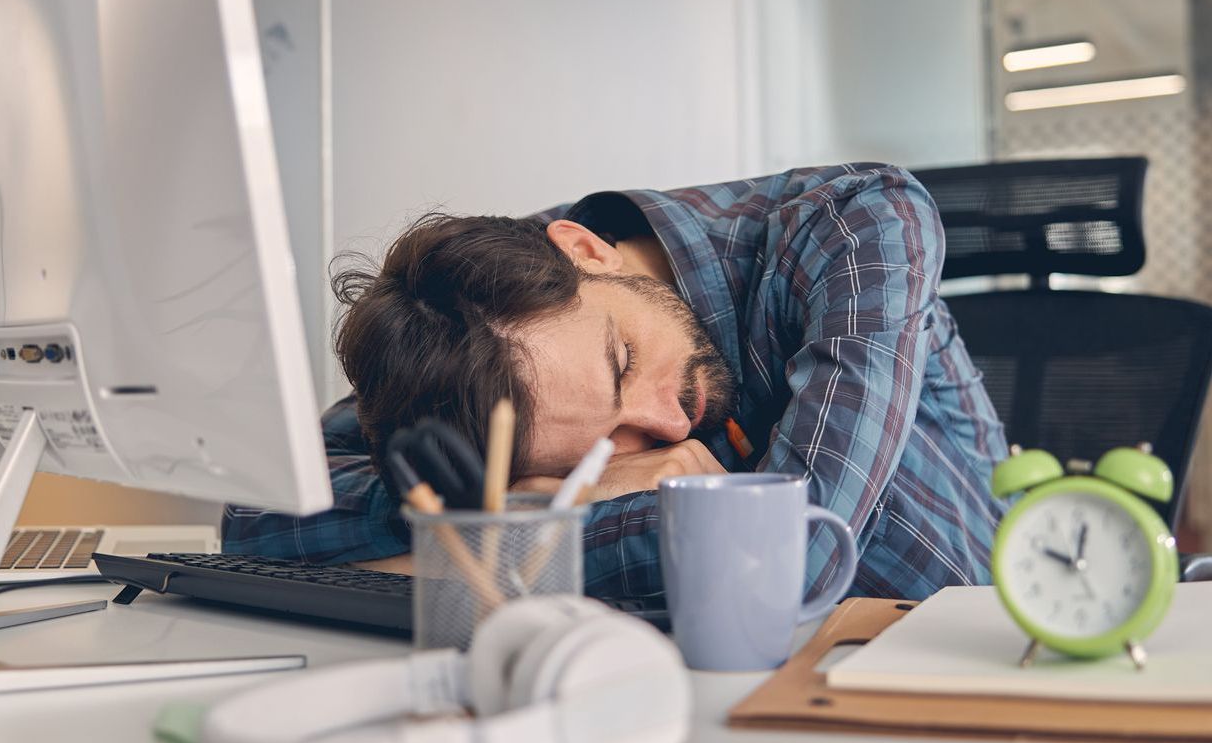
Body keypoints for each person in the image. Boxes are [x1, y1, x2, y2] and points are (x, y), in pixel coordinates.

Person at [223, 164, 1009, 600]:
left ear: (585, 251)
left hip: (981, 663)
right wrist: (513, 499)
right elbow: (256, 513)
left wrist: (480, 540)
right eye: (600, 451)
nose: (664, 430)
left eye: (623, 364)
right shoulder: (471, 328)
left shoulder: (856, 226)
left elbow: (783, 562)